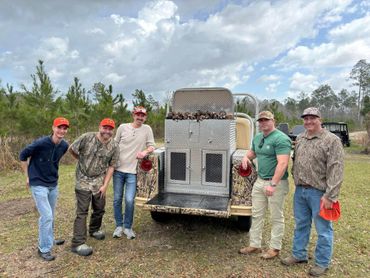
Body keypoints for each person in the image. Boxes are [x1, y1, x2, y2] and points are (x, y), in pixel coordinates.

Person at [281, 107, 344, 277]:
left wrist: (330, 196)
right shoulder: (300, 138)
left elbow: (336, 169)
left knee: (323, 230)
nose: (308, 121)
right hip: (301, 190)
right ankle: (299, 254)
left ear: (320, 119)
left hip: (320, 193)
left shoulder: (332, 140)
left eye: (312, 118)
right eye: (306, 118)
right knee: (301, 224)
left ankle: (322, 263)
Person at [239, 111, 291, 259]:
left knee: (276, 216)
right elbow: (253, 151)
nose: (263, 123)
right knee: (256, 214)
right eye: (260, 120)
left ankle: (275, 248)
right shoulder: (258, 137)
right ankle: (254, 245)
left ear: (273, 120)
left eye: (266, 120)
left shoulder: (281, 139)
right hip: (260, 181)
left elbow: (283, 163)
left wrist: (273, 184)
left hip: (276, 183)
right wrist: (245, 157)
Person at [19, 117, 70, 261]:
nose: (62, 130)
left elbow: (55, 161)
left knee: (51, 214)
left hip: (53, 183)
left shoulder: (64, 145)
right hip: (38, 184)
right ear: (53, 128)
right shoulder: (41, 143)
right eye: (59, 127)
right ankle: (44, 248)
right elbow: (22, 155)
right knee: (46, 216)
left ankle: (50, 238)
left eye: (65, 128)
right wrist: (27, 176)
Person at [69, 118, 119, 256]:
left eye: (110, 129)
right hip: (83, 180)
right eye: (105, 128)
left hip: (99, 181)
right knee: (82, 211)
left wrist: (105, 185)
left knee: (99, 208)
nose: (107, 131)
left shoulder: (114, 145)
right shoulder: (86, 137)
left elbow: (112, 166)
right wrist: (80, 160)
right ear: (100, 127)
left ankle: (94, 230)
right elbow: (71, 149)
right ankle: (77, 243)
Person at [112, 106, 155, 239]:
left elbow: (152, 146)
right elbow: (114, 144)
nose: (140, 117)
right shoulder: (123, 127)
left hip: (133, 171)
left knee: (130, 200)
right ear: (133, 115)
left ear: (145, 117)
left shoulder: (147, 129)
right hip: (118, 170)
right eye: (138, 115)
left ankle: (128, 227)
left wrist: (144, 152)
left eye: (142, 116)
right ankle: (119, 226)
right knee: (117, 199)